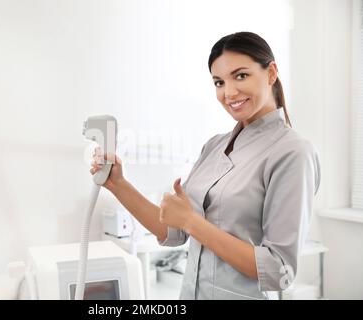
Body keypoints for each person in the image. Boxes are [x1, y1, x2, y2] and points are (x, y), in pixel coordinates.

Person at [90, 31, 321, 300]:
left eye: (241, 75)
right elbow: (173, 231)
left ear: (271, 73)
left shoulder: (293, 152)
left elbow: (278, 270)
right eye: (219, 82)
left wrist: (192, 223)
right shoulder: (214, 146)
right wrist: (118, 184)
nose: (229, 92)